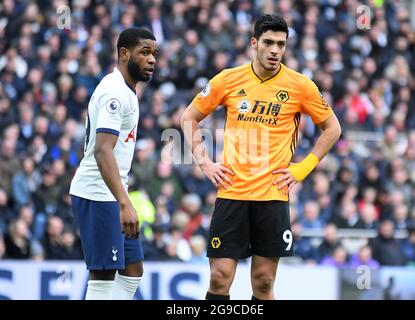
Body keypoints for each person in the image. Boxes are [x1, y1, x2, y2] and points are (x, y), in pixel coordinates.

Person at [180, 14, 341, 300]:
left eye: (281, 44)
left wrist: (301, 169)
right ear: (255, 43)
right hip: (232, 193)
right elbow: (189, 118)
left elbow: (332, 128)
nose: (275, 50)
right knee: (219, 278)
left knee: (264, 282)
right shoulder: (229, 80)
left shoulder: (300, 85)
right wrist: (204, 162)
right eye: (268, 42)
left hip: (272, 196)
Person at [69, 28, 158, 300]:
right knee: (104, 276)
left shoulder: (127, 90)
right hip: (98, 194)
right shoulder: (114, 93)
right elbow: (102, 151)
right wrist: (124, 203)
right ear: (124, 54)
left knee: (132, 270)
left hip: (112, 193)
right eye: (145, 52)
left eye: (154, 53)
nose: (152, 59)